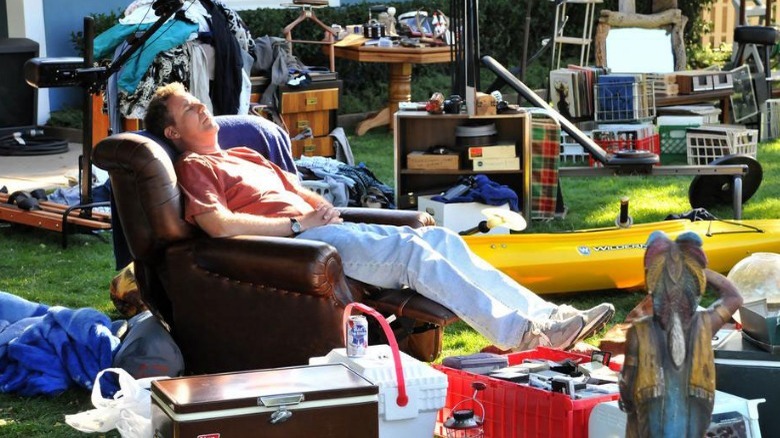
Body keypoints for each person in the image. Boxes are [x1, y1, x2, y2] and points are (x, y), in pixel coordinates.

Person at [143, 82, 615, 352]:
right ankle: (525, 337)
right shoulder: (194, 166)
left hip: (326, 229)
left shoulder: (245, 152)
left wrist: (317, 205)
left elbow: (296, 191)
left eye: (199, 102)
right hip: (296, 246)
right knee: (412, 253)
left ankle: (551, 317)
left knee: (445, 242)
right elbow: (218, 226)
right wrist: (298, 225)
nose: (203, 108)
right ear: (172, 131)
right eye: (190, 109)